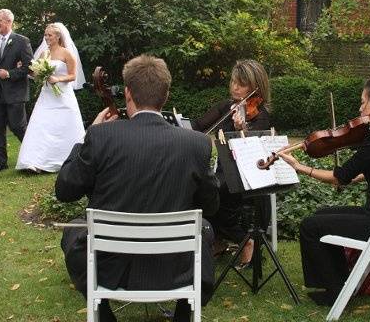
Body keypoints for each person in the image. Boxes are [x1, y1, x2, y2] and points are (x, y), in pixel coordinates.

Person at [55, 55, 219, 322]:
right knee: (206, 231)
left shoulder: (100, 137)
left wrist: (87, 137)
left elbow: (64, 190)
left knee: (73, 233)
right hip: (175, 268)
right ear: (165, 96)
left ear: (128, 93)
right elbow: (211, 206)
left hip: (110, 268)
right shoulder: (197, 143)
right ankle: (184, 315)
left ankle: (103, 315)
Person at [278, 77, 370, 306]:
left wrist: (299, 167)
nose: (360, 108)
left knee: (310, 226)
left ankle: (335, 291)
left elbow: (339, 178)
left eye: (364, 102)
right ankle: (341, 284)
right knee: (322, 214)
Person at [191, 59, 271, 265]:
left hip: (248, 174)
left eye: (241, 83)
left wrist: (241, 130)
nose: (235, 87)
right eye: (234, 81)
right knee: (202, 186)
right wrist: (175, 125)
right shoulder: (227, 106)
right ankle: (217, 240)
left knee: (215, 190)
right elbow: (198, 125)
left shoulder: (261, 115)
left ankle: (245, 241)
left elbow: (254, 151)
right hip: (225, 171)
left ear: (255, 87)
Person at [15, 23, 85, 172]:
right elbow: (37, 74)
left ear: (58, 36)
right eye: (45, 35)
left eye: (50, 35)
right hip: (46, 95)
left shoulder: (67, 53)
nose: (46, 38)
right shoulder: (43, 54)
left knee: (63, 126)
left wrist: (58, 79)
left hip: (63, 96)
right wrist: (27, 70)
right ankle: (35, 162)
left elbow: (73, 76)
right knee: (41, 126)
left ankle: (67, 159)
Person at [0, 9, 33, 173]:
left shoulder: (22, 41)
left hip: (15, 93)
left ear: (9, 22)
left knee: (18, 127)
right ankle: (0, 163)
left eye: (0, 20)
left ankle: (33, 156)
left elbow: (29, 67)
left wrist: (10, 74)